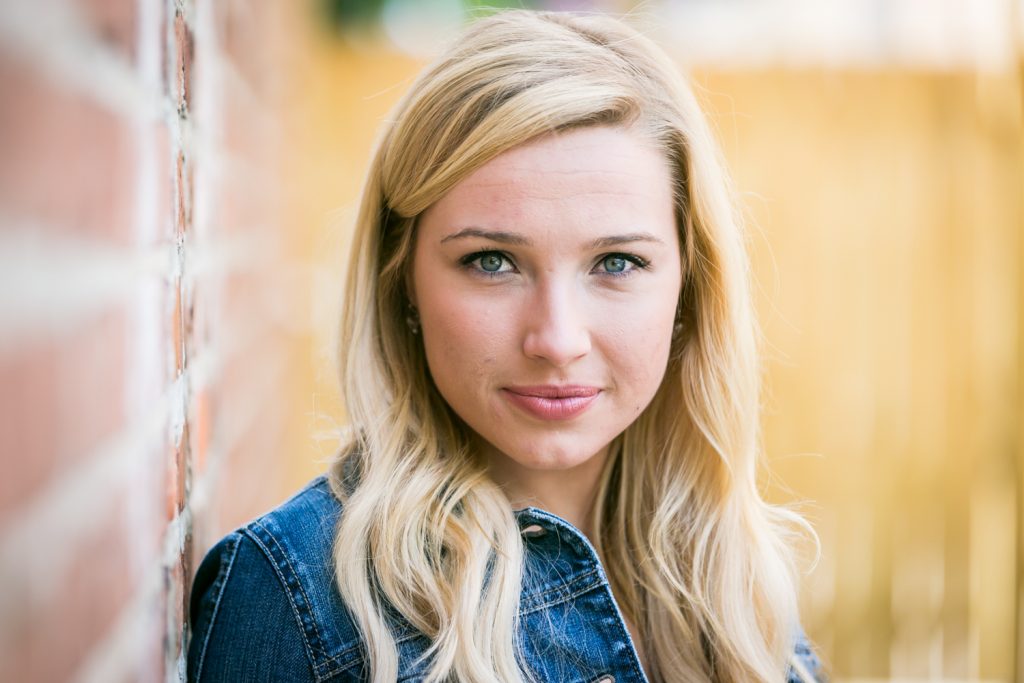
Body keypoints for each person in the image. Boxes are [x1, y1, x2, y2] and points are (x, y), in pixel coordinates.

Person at [187, 9, 824, 683]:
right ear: (401, 281)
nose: (556, 339)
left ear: (690, 290)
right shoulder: (295, 598)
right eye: (492, 261)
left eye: (616, 262)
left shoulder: (735, 581)